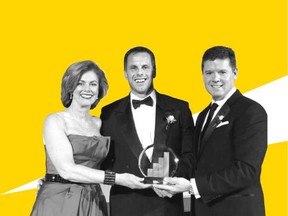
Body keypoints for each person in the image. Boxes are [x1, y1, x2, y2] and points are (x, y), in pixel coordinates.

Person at [154, 46, 267, 216]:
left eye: (222, 72)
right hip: (203, 210)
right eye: (209, 73)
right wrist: (166, 179)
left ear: (235, 73)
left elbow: (246, 171)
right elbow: (197, 162)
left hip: (237, 210)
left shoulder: (251, 111)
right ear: (202, 75)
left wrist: (192, 186)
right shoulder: (203, 115)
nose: (215, 78)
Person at [31, 60, 149, 216]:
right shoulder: (55, 120)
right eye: (80, 83)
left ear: (99, 90)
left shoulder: (100, 123)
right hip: (59, 201)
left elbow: (115, 160)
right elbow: (67, 170)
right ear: (70, 87)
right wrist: (118, 179)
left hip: (93, 200)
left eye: (93, 84)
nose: (87, 89)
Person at [100, 46, 194, 216]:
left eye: (145, 67)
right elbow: (101, 158)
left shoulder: (180, 108)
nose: (139, 73)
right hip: (125, 204)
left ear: (154, 70)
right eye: (133, 68)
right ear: (125, 73)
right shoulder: (108, 113)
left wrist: (170, 182)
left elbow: (190, 154)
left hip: (168, 203)